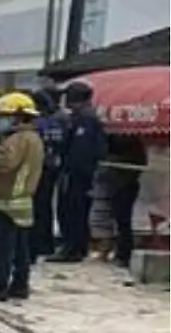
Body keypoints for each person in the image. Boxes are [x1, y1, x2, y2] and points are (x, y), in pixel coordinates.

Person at [0, 92, 45, 300]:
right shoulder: (33, 138)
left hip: (5, 202)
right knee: (20, 249)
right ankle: (19, 285)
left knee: (0, 248)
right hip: (21, 202)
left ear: (16, 116)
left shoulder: (17, 140)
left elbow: (1, 164)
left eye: (3, 116)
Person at [51, 78, 107, 263]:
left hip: (78, 175)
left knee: (72, 211)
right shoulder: (77, 117)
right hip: (74, 172)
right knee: (71, 211)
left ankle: (73, 248)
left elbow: (82, 150)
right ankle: (74, 247)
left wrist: (70, 169)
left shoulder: (86, 119)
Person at [30, 86, 66, 258]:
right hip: (53, 168)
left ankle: (37, 243)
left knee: (37, 208)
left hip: (40, 169)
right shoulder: (58, 121)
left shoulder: (38, 124)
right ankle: (46, 243)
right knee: (46, 208)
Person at [107, 134, 147, 268]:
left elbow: (138, 163)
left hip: (125, 185)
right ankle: (119, 251)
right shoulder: (126, 140)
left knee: (123, 220)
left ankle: (123, 254)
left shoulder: (128, 141)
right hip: (119, 184)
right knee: (119, 220)